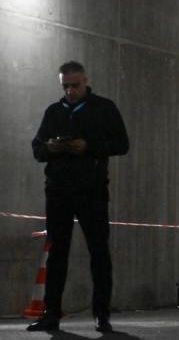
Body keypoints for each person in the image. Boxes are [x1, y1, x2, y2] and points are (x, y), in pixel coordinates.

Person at [28, 61, 129, 333]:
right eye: (66, 86)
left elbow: (122, 144)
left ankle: (101, 313)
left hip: (92, 191)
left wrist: (89, 147)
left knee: (99, 252)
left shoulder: (104, 108)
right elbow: (37, 149)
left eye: (75, 85)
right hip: (58, 190)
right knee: (57, 253)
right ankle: (51, 314)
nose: (70, 91)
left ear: (86, 81)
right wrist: (51, 148)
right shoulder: (53, 112)